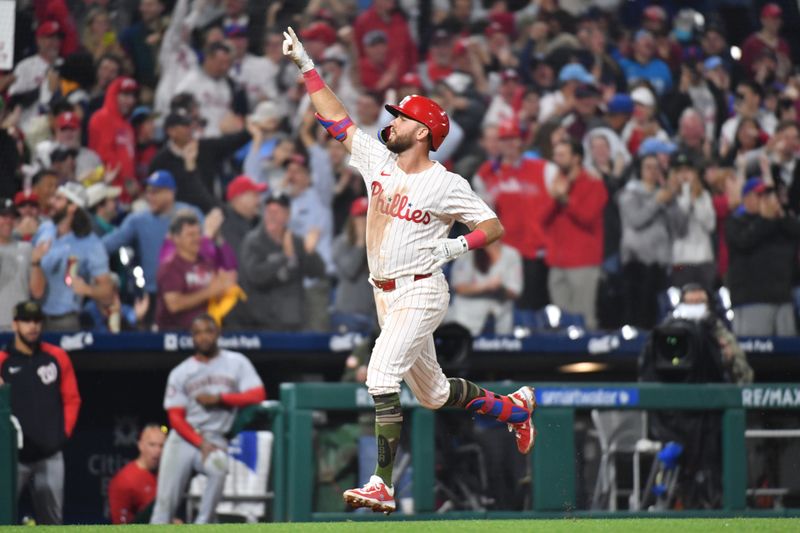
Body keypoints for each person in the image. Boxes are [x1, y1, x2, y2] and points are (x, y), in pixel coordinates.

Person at [282, 27, 535, 514]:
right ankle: (515, 408)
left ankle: (382, 481)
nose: (391, 121)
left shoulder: (445, 182)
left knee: (380, 373)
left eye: (401, 117)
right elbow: (337, 121)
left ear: (423, 132)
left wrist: (458, 245)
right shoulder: (379, 160)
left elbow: (493, 225)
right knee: (436, 394)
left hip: (421, 290)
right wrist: (307, 67)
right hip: (385, 294)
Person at [150, 314, 265, 524]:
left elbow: (258, 394)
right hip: (184, 438)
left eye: (208, 331)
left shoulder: (236, 362)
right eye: (198, 333)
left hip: (215, 436)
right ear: (192, 338)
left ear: (217, 333)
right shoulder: (181, 372)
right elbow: (175, 417)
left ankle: (202, 525)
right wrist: (199, 442)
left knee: (219, 468)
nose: (203, 337)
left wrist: (221, 398)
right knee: (165, 503)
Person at [0, 300, 81, 525]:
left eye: (37, 321)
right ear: (15, 325)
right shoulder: (2, 361)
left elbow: (72, 398)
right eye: (26, 321)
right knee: (2, 518)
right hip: (13, 457)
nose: (32, 326)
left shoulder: (56, 356)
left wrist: (62, 434)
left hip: (49, 454)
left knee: (52, 522)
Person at [155, 210, 237, 331]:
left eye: (199, 233)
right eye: (190, 235)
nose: (196, 238)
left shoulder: (207, 262)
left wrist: (223, 288)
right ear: (176, 238)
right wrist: (209, 292)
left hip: (207, 335)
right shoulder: (170, 267)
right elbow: (174, 304)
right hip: (175, 335)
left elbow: (221, 285)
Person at [0, 199, 47, 330]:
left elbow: (38, 292)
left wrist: (36, 262)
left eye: (12, 218)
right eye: (3, 217)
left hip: (21, 325)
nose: (8, 222)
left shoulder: (26, 249)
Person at [108, 424, 167, 524]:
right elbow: (120, 526)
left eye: (161, 446)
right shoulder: (125, 480)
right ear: (140, 445)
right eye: (152, 444)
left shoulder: (166, 475)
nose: (157, 451)